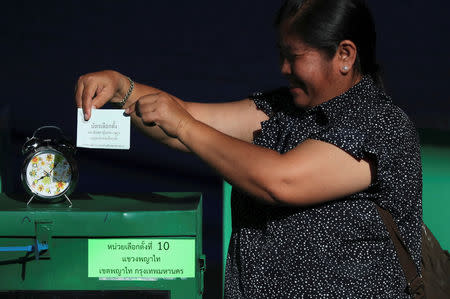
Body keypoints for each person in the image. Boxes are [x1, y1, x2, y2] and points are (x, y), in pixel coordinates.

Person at [75, 0, 422, 297]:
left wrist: (183, 124)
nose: (283, 68)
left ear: (344, 55)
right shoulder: (281, 110)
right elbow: (184, 119)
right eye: (281, 55)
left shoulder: (381, 125)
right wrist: (123, 88)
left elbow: (281, 181)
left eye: (294, 56)